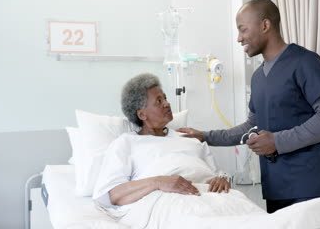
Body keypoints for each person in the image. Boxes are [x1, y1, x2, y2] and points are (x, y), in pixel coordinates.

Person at [178, 0, 320, 213]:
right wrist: (204, 136)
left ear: (265, 25)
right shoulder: (258, 77)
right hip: (276, 186)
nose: (239, 38)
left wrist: (277, 141)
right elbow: (252, 127)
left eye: (243, 30)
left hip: (310, 182)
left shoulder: (305, 62)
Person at [93, 73, 230, 208]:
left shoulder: (188, 138)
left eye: (165, 98)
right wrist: (158, 182)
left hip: (212, 196)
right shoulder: (126, 143)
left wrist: (221, 180)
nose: (167, 104)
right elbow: (115, 194)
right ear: (142, 114)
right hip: (167, 200)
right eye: (159, 101)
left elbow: (218, 174)